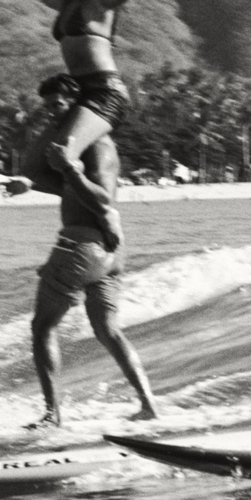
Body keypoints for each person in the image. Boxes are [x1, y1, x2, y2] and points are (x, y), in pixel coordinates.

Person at [0, 0, 184, 244]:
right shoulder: (66, 2)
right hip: (82, 96)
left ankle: (107, 213)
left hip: (106, 94)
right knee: (33, 168)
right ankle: (76, 197)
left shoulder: (101, 0)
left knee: (61, 154)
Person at [29, 77, 160, 427]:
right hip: (106, 252)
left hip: (84, 246)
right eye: (47, 107)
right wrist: (30, 182)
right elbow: (72, 190)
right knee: (107, 330)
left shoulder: (97, 145)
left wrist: (69, 167)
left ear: (78, 105)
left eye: (58, 105)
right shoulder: (82, 145)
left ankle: (52, 415)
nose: (53, 114)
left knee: (42, 327)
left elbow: (103, 198)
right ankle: (148, 405)